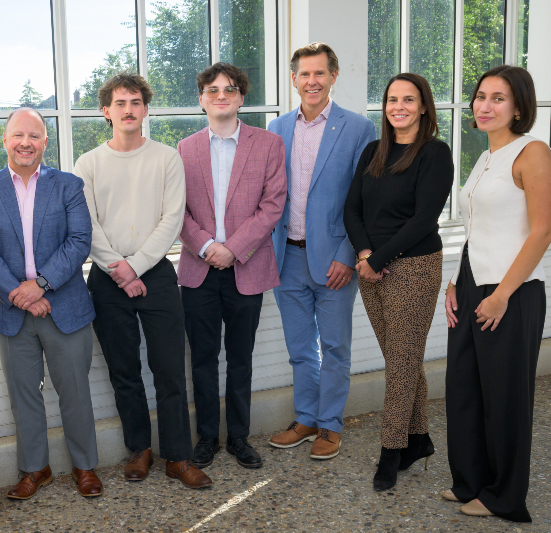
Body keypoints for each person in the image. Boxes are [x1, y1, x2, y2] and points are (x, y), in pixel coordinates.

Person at [75, 72, 212, 489]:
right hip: (106, 279)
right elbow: (88, 225)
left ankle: (178, 456)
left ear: (146, 109)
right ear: (106, 111)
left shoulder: (167, 158)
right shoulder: (89, 163)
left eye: (136, 102)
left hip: (156, 276)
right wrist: (119, 268)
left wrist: (136, 266)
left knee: (169, 369)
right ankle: (140, 449)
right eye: (120, 103)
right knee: (124, 371)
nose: (128, 109)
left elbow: (172, 219)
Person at [0, 108, 102, 500]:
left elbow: (79, 241)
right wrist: (18, 294)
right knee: (23, 392)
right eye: (18, 135)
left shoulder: (68, 186)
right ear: (5, 140)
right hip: (10, 312)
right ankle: (35, 469)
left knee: (75, 390)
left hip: (66, 306)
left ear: (45, 142)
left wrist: (40, 286)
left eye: (35, 136)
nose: (26, 142)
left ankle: (85, 466)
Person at [444, 65, 551, 522]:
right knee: (464, 388)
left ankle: (504, 496)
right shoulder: (487, 156)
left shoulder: (533, 152)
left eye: (498, 98)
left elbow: (543, 231)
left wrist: (503, 293)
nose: (484, 106)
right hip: (472, 283)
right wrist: (455, 279)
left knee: (505, 397)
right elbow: (480, 228)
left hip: (513, 290)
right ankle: (471, 480)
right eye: (480, 96)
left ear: (519, 106)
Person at [343, 73, 453, 491]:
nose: (399, 107)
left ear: (424, 106)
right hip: (371, 266)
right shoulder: (374, 150)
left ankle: (391, 453)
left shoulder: (435, 153)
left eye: (409, 100)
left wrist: (379, 258)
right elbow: (351, 208)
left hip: (415, 268)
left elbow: (425, 218)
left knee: (402, 363)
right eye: (392, 99)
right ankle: (419, 438)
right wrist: (365, 255)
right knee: (401, 358)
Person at [267, 42, 376, 459]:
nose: (311, 81)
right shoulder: (276, 129)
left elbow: (363, 198)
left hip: (335, 260)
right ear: (293, 79)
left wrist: (349, 254)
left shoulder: (358, 129)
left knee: (334, 347)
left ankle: (331, 424)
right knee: (299, 348)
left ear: (333, 76)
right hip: (286, 257)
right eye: (304, 74)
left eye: (319, 73)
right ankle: (306, 418)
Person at [177, 63, 287, 470]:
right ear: (202, 98)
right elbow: (178, 211)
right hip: (198, 270)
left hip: (247, 268)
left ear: (242, 97)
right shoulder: (184, 149)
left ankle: (239, 437)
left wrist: (233, 248)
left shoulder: (268, 145)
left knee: (241, 359)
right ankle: (207, 438)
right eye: (212, 89)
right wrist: (207, 246)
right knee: (202, 359)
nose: (221, 95)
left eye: (230, 89)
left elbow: (273, 205)